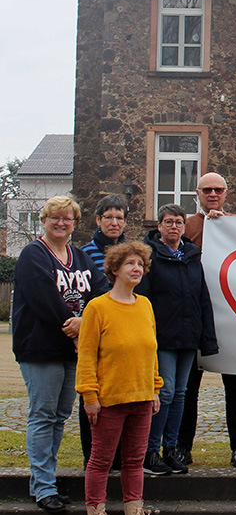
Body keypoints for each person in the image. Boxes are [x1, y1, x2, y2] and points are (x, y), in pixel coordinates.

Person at [12, 196, 108, 513]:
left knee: (59, 416)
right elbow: (44, 298)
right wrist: (75, 327)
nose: (61, 223)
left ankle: (46, 480)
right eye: (54, 217)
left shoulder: (80, 257)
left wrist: (86, 322)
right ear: (44, 220)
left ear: (75, 223)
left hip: (73, 351)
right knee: (42, 415)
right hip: (41, 348)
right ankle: (43, 486)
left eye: (67, 218)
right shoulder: (33, 255)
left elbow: (100, 293)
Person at [77, 242, 164, 515]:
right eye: (130, 263)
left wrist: (155, 387)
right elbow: (86, 355)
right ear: (114, 269)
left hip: (142, 397)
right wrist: (89, 395)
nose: (136, 268)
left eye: (140, 264)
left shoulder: (145, 305)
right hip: (109, 400)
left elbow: (151, 349)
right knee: (100, 462)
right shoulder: (97, 307)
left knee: (135, 461)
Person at [136, 204, 219, 476]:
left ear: (184, 227)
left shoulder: (192, 256)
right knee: (165, 391)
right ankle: (151, 450)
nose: (174, 226)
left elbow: (202, 297)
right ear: (159, 226)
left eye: (178, 222)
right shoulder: (150, 257)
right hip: (162, 337)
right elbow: (143, 299)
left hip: (188, 335)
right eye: (169, 222)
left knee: (181, 393)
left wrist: (206, 336)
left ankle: (170, 447)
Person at [177, 172, 236, 468]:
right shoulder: (187, 225)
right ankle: (182, 446)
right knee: (188, 388)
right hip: (195, 318)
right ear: (197, 193)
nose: (212, 194)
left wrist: (224, 225)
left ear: (226, 193)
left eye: (218, 190)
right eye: (207, 190)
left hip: (230, 319)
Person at [79, 194, 129, 467]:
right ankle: (93, 457)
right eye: (108, 217)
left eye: (119, 218)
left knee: (122, 397)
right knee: (94, 395)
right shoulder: (85, 254)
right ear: (98, 220)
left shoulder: (131, 252)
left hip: (124, 334)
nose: (114, 223)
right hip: (97, 331)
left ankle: (119, 456)